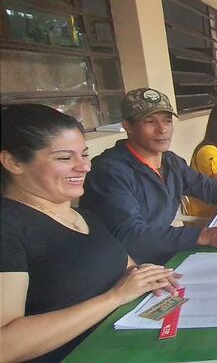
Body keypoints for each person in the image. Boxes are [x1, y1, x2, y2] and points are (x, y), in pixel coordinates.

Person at [0, 104, 180, 362]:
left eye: (84, 155)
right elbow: (4, 346)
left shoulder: (84, 216)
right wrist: (113, 298)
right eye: (64, 158)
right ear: (13, 162)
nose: (84, 167)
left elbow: (128, 270)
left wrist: (148, 275)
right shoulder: (8, 226)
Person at [80, 88, 217, 265]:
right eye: (149, 122)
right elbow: (132, 235)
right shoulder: (110, 171)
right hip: (131, 269)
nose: (162, 129)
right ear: (127, 126)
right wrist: (205, 234)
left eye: (167, 121)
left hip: (167, 253)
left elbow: (209, 187)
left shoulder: (169, 161)